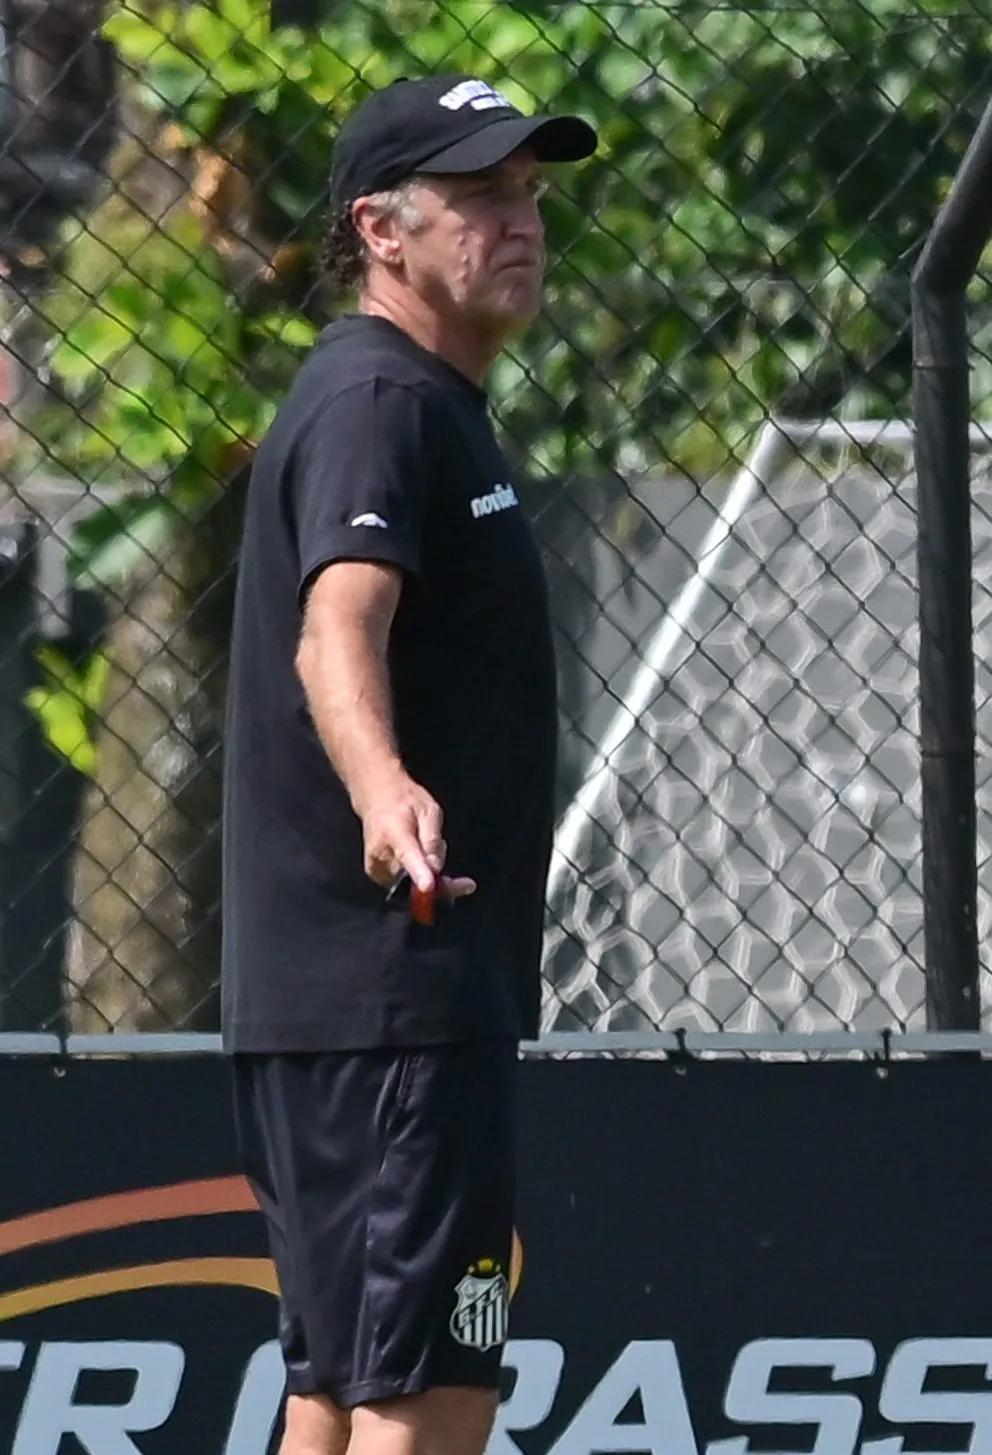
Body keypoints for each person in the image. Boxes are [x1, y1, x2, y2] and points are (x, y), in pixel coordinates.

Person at [220, 75, 595, 1455]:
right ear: (381, 227)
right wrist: (385, 788)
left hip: (380, 998)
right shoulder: (379, 397)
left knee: (344, 1382)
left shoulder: (419, 398)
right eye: (483, 195)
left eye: (531, 194)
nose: (522, 221)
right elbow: (338, 627)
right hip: (391, 991)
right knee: (429, 1387)